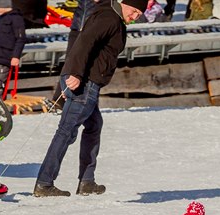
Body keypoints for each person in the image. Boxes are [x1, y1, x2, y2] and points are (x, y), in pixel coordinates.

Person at [32, 0, 147, 197]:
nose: (136, 16)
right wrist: (75, 73)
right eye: (134, 10)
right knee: (66, 131)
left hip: (88, 82)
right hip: (84, 83)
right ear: (124, 3)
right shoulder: (109, 17)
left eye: (140, 14)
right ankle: (44, 183)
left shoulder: (112, 16)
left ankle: (87, 181)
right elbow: (85, 41)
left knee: (94, 125)